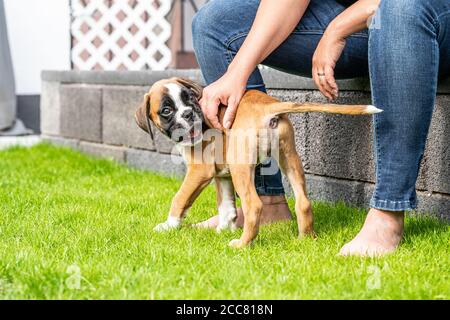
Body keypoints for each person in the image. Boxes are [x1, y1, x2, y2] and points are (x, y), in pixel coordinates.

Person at [192, 0, 450, 256]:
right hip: (365, 25)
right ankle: (267, 203)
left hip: (423, 15)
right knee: (213, 24)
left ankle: (388, 212)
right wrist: (236, 72)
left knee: (399, 7)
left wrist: (336, 30)